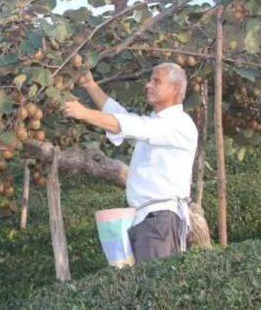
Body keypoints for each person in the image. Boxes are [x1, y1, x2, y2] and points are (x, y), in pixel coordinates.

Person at [61, 62, 198, 263]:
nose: (148, 85)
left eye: (156, 81)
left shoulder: (179, 124)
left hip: (161, 220)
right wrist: (90, 85)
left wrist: (84, 113)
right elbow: (122, 117)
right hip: (147, 219)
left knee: (154, 287)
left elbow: (130, 125)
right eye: (150, 80)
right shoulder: (157, 122)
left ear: (174, 89)